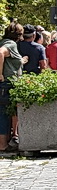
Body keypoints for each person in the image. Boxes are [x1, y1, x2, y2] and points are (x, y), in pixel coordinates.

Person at [1, 23, 22, 152]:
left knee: (5, 112)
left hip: (6, 83)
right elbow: (0, 53)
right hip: (7, 83)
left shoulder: (3, 42)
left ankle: (5, 142)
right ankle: (2, 144)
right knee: (4, 113)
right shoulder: (11, 44)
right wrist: (0, 74)